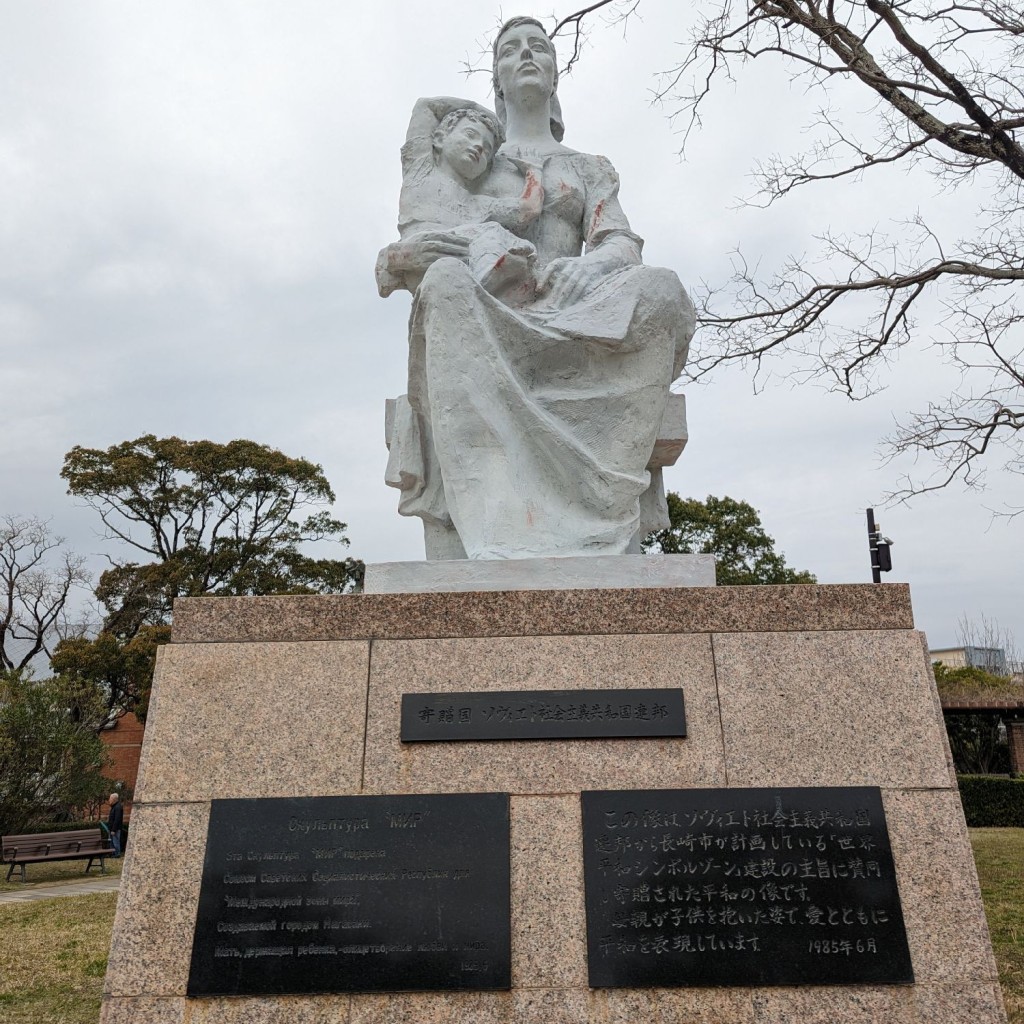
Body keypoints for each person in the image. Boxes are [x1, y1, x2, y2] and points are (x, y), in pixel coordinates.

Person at [380, 16, 695, 560]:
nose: (526, 55)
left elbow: (620, 243)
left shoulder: (589, 167)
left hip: (576, 313)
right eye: (510, 50)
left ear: (554, 73)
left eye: (538, 48)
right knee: (447, 282)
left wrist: (589, 270)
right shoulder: (473, 150)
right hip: (493, 314)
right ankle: (497, 526)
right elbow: (428, 225)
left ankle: (600, 507)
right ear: (496, 79)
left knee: (662, 290)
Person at [376, 99, 544, 306]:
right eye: (470, 134)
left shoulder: (477, 204)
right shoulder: (420, 169)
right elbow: (424, 107)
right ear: (439, 138)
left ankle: (486, 283)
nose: (478, 147)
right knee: (493, 233)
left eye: (487, 149)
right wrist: (481, 112)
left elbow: (528, 209)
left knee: (517, 248)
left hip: (455, 264)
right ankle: (487, 278)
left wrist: (534, 170)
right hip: (423, 250)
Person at [107, 792, 124, 858]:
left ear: (114, 799)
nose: (109, 800)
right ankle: (113, 853)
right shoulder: (114, 807)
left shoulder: (118, 807)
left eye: (110, 799)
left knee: (115, 841)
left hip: (115, 829)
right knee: (112, 842)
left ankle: (117, 853)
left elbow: (117, 819)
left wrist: (113, 829)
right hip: (111, 828)